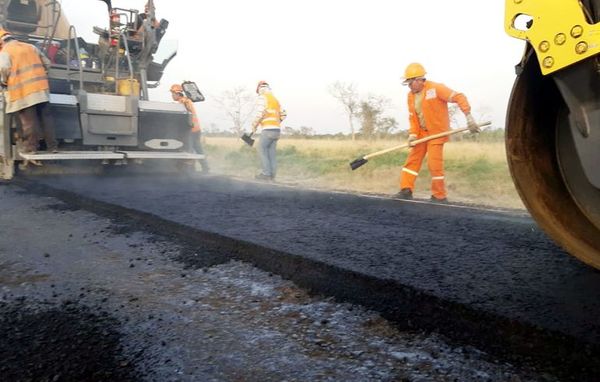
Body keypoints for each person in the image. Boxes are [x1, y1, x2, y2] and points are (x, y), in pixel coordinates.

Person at [396, 63, 479, 203]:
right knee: (412, 161)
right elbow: (413, 118)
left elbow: (459, 96)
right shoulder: (410, 96)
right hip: (421, 134)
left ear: (419, 80)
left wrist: (468, 116)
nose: (409, 86)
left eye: (410, 83)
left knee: (434, 164)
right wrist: (412, 134)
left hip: (437, 133)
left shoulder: (436, 88)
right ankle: (406, 190)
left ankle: (439, 196)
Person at [0, 28, 57, 160]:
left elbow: (3, 70)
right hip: (42, 89)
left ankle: (31, 148)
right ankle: (53, 147)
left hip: (23, 91)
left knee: (29, 122)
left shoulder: (6, 51)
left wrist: (3, 82)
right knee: (46, 119)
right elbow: (47, 63)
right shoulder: (31, 47)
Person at [251, 81, 286, 181]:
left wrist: (254, 125)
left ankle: (266, 174)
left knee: (261, 149)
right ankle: (272, 175)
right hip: (277, 130)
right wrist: (276, 122)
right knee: (271, 153)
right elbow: (284, 114)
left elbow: (260, 113)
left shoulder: (263, 97)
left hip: (267, 129)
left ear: (259, 89)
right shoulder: (275, 100)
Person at [170, 83, 209, 172]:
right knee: (198, 149)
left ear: (177, 93)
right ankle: (205, 168)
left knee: (189, 150)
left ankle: (191, 170)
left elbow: (186, 114)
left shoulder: (184, 102)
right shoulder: (185, 101)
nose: (172, 96)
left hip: (191, 130)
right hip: (196, 129)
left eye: (172, 94)